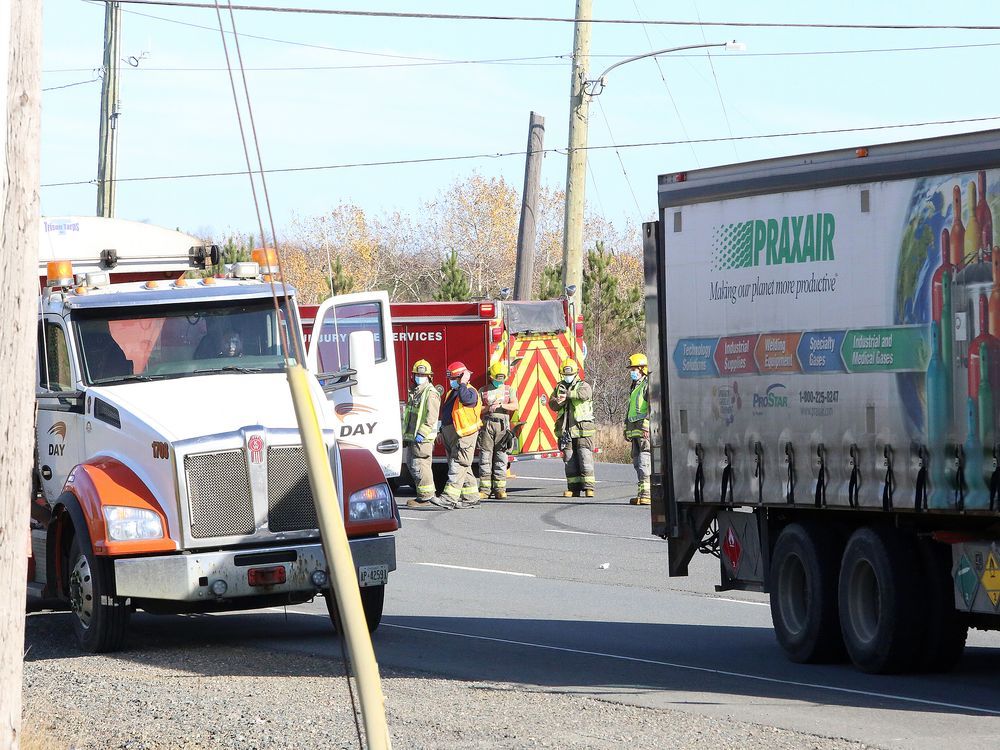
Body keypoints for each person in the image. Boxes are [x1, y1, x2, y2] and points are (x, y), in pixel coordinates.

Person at [430, 361, 483, 509]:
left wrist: (464, 383)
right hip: (452, 435)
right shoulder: (452, 392)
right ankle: (471, 498)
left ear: (462, 377)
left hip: (464, 436)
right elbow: (448, 413)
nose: (451, 381)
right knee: (464, 467)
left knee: (458, 466)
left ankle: (449, 499)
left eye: (454, 378)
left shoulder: (470, 392)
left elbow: (466, 400)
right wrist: (441, 431)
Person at [549, 358, 596, 498]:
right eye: (564, 375)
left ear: (576, 373)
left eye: (569, 375)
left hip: (582, 430)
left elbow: (585, 395)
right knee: (569, 460)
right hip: (566, 431)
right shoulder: (559, 387)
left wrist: (568, 395)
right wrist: (558, 401)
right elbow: (552, 404)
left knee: (584, 457)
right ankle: (573, 488)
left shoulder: (583, 385)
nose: (566, 377)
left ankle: (588, 488)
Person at [401, 359, 441, 508]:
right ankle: (422, 495)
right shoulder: (416, 391)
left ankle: (425, 497)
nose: (419, 376)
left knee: (420, 465)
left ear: (429, 376)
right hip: (413, 438)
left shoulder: (430, 393)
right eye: (417, 374)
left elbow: (431, 417)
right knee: (413, 465)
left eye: (422, 374)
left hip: (422, 439)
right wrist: (406, 436)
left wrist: (422, 434)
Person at [477, 361, 518, 499]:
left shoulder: (509, 390)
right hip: (487, 425)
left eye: (501, 379)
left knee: (501, 457)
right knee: (485, 457)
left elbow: (515, 405)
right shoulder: (483, 390)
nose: (499, 382)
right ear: (491, 377)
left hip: (502, 426)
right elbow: (476, 409)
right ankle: (485, 489)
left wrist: (502, 405)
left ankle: (500, 489)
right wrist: (488, 408)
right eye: (496, 379)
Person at [624, 353, 651, 505]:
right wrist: (625, 428)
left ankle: (647, 493)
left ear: (642, 369)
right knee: (636, 462)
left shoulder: (647, 385)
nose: (632, 372)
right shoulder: (635, 386)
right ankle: (642, 494)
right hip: (634, 429)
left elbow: (652, 406)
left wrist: (646, 425)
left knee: (644, 461)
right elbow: (630, 410)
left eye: (634, 369)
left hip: (643, 430)